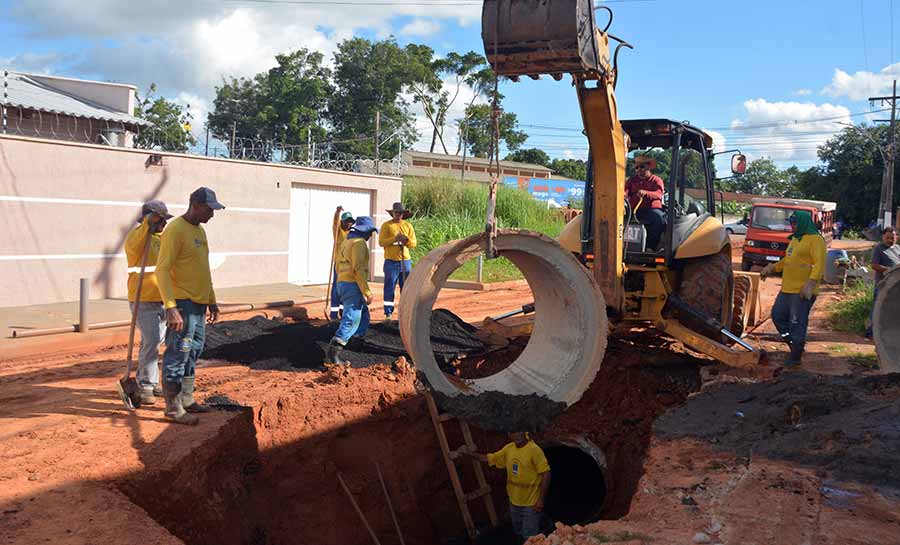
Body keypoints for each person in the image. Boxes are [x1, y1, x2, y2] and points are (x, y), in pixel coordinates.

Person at [156, 187, 225, 425]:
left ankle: (186, 398)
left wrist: (211, 299)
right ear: (194, 204)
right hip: (183, 305)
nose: (212, 215)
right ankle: (173, 408)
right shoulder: (175, 230)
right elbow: (162, 269)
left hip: (199, 303)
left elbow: (203, 270)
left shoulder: (200, 232)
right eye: (209, 209)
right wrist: (171, 307)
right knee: (178, 352)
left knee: (193, 351)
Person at [760, 210, 826, 367]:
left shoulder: (816, 240)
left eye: (795, 223)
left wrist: (810, 284)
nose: (793, 226)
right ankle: (794, 344)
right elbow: (787, 261)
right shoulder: (795, 240)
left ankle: (795, 358)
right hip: (787, 289)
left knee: (797, 322)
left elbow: (819, 264)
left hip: (802, 291)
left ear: (804, 222)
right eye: (791, 223)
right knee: (778, 316)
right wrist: (772, 268)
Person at [124, 200, 173, 406]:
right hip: (142, 299)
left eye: (165, 220)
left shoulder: (163, 239)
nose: (165, 224)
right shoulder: (136, 238)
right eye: (161, 220)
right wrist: (147, 225)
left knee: (152, 342)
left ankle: (150, 381)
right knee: (152, 340)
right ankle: (145, 385)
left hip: (162, 299)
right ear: (150, 220)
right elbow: (135, 247)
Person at [464, 432, 551, 543]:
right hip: (514, 502)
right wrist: (469, 453)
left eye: (519, 431)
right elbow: (489, 458)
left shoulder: (534, 450)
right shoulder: (509, 449)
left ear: (524, 432)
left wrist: (541, 500)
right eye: (513, 432)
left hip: (531, 503)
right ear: (509, 435)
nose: (516, 435)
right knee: (518, 531)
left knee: (529, 535)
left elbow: (546, 473)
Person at [326, 216, 379, 365]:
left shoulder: (345, 243)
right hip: (352, 284)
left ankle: (356, 341)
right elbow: (359, 269)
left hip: (342, 283)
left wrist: (339, 284)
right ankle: (332, 356)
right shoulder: (359, 244)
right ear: (365, 231)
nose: (370, 236)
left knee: (364, 315)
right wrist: (367, 291)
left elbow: (337, 265)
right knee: (351, 318)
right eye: (370, 232)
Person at [378, 202, 417, 320]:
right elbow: (382, 242)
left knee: (406, 287)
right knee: (389, 286)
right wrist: (395, 238)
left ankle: (406, 312)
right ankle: (388, 313)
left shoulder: (408, 226)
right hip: (391, 261)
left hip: (405, 261)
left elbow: (414, 243)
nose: (398, 215)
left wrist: (406, 241)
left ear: (403, 214)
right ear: (392, 213)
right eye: (396, 213)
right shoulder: (386, 226)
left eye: (400, 213)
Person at [625, 155, 665, 250]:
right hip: (634, 210)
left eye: (642, 167)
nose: (639, 170)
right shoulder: (631, 181)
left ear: (649, 167)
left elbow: (659, 194)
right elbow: (625, 191)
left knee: (659, 218)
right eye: (637, 168)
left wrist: (646, 193)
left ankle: (651, 246)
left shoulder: (656, 180)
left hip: (651, 210)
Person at [866, 226, 900, 338]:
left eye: (893, 238)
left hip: (895, 286)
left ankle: (885, 332)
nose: (891, 240)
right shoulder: (879, 249)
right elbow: (874, 265)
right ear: (883, 237)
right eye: (888, 238)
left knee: (890, 310)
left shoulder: (897, 249)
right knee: (877, 308)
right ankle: (870, 331)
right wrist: (889, 270)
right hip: (883, 284)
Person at [330, 207, 355, 320]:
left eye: (350, 221)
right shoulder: (338, 231)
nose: (349, 223)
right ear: (342, 222)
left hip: (349, 265)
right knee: (336, 287)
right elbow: (335, 222)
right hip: (339, 265)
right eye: (347, 221)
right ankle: (333, 314)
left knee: (345, 288)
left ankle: (342, 311)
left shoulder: (352, 233)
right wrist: (337, 212)